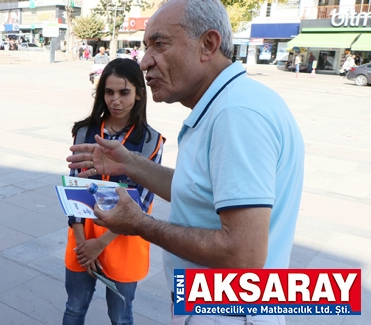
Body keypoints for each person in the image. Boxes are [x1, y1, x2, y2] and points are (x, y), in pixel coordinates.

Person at [66, 0, 304, 324]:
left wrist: (140, 224)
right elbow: (198, 192)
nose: (145, 61)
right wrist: (130, 164)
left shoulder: (236, 114)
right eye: (145, 46)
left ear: (208, 44)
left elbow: (242, 254)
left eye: (159, 44)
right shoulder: (231, 104)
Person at [63, 59, 164, 325]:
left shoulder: (151, 141)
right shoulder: (85, 132)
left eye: (124, 92)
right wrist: (83, 241)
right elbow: (75, 189)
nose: (115, 100)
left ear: (139, 93)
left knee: (120, 316)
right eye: (109, 92)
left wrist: (101, 243)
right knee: (74, 309)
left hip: (123, 241)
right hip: (82, 238)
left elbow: (141, 203)